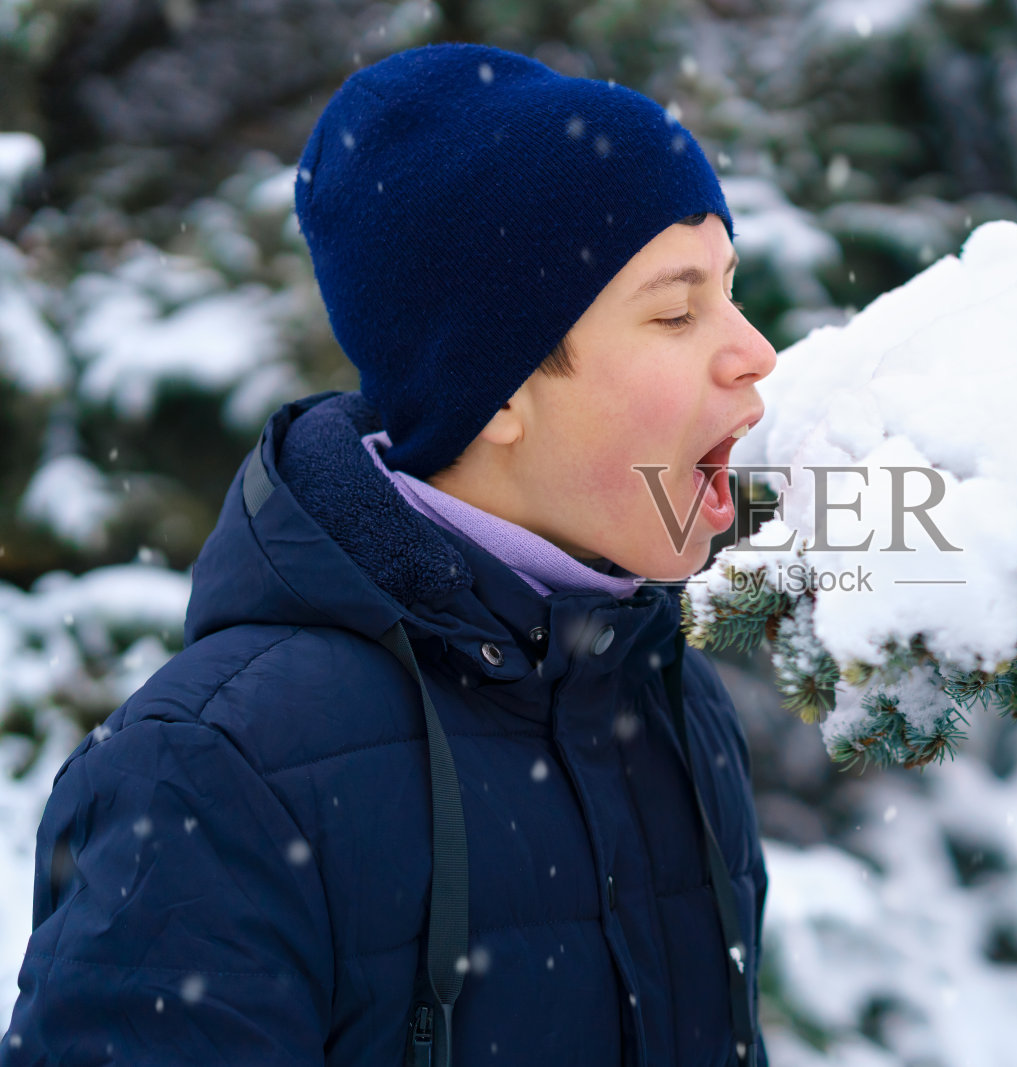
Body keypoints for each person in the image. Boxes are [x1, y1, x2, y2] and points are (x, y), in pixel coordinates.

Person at [2, 41, 775, 1066]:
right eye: (677, 311)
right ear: (496, 391)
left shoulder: (670, 698)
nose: (755, 349)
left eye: (730, 289)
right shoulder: (213, 772)